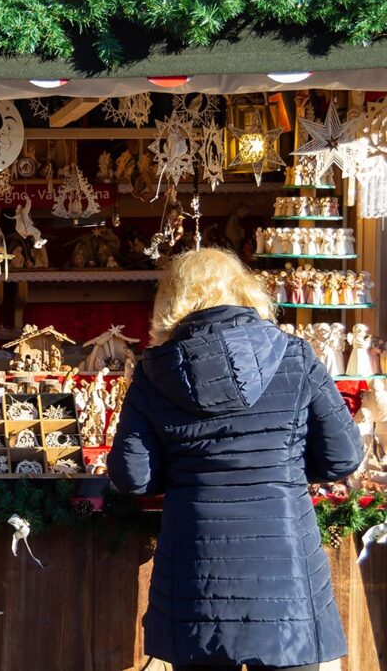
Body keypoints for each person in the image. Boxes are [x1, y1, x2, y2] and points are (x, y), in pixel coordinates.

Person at [109, 248, 362, 671]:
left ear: (171, 302)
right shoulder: (295, 357)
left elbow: (133, 477)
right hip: (287, 578)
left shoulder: (154, 374)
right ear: (246, 291)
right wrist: (285, 467)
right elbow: (344, 456)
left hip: (196, 575)